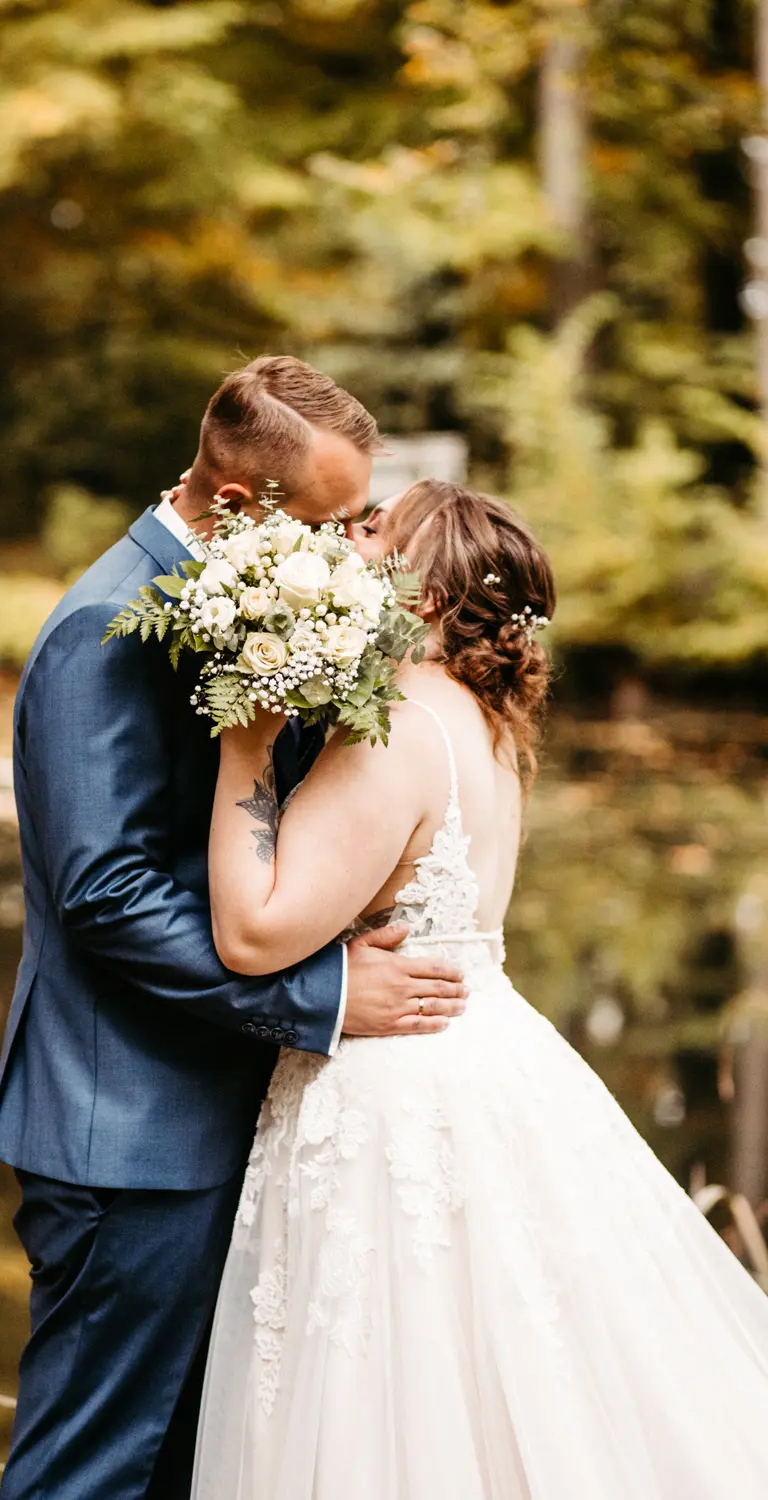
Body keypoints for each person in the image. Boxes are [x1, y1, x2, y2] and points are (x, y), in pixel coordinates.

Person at [192, 479, 768, 1499]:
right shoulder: (485, 726)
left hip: (397, 1097)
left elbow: (252, 931)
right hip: (487, 1055)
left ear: (417, 593)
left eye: (375, 532)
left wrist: (242, 742)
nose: (349, 544)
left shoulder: (396, 727)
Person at [0, 358, 468, 1500]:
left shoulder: (241, 600)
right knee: (92, 1475)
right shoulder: (102, 628)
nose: (357, 547)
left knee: (186, 1468)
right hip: (129, 1135)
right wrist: (325, 995)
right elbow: (104, 896)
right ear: (245, 508)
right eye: (337, 520)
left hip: (219, 1114)